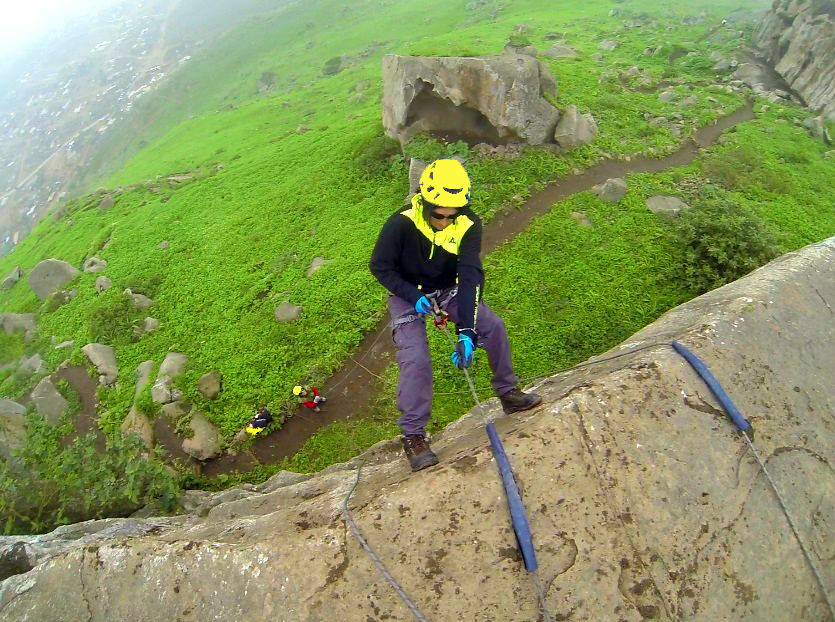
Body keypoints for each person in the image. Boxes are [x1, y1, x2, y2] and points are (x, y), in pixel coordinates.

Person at [369, 158, 542, 472]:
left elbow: (471, 275)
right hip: (407, 295)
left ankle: (508, 393)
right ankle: (414, 436)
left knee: (494, 327)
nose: (445, 222)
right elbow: (380, 266)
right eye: (439, 215)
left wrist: (468, 330)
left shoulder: (468, 224)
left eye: (453, 215)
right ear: (425, 202)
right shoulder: (402, 222)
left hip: (447, 288)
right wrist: (413, 295)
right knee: (416, 359)